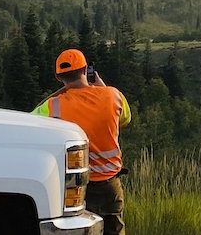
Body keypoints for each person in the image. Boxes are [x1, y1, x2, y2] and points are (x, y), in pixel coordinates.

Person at [32, 49, 132, 235]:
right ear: (86, 70)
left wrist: (61, 91)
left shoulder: (53, 105)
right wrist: (101, 87)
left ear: (58, 77)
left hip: (78, 188)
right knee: (115, 229)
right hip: (111, 185)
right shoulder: (113, 95)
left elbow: (31, 119)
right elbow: (125, 119)